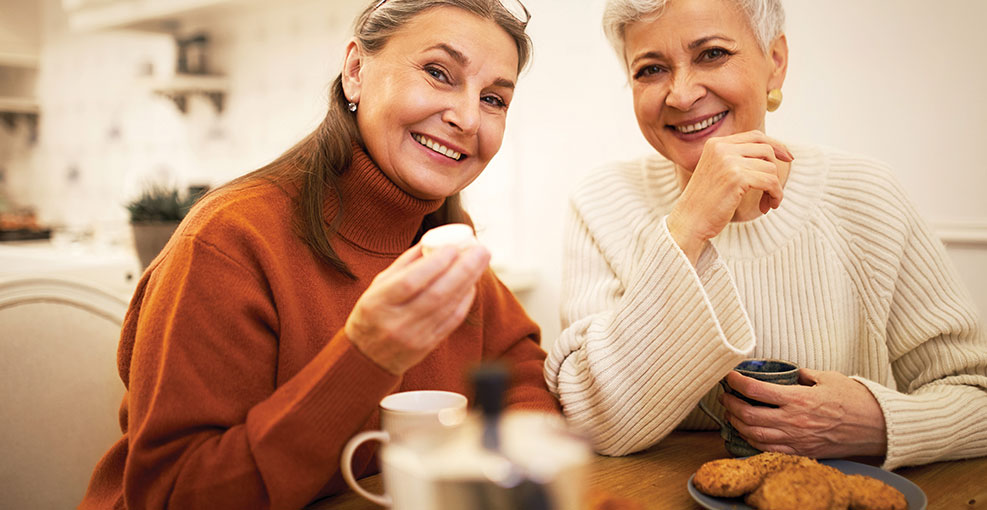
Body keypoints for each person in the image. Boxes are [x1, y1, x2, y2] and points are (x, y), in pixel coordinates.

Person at [80, 1, 556, 509]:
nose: (465, 117)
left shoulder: (443, 237)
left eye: (493, 100)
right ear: (356, 71)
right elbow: (176, 496)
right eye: (438, 73)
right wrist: (367, 356)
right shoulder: (228, 242)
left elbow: (521, 378)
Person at [544, 0, 987, 470]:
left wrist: (876, 421)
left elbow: (975, 397)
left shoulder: (868, 195)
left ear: (775, 63)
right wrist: (687, 225)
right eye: (651, 69)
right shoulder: (602, 201)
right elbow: (595, 420)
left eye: (712, 54)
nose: (681, 94)